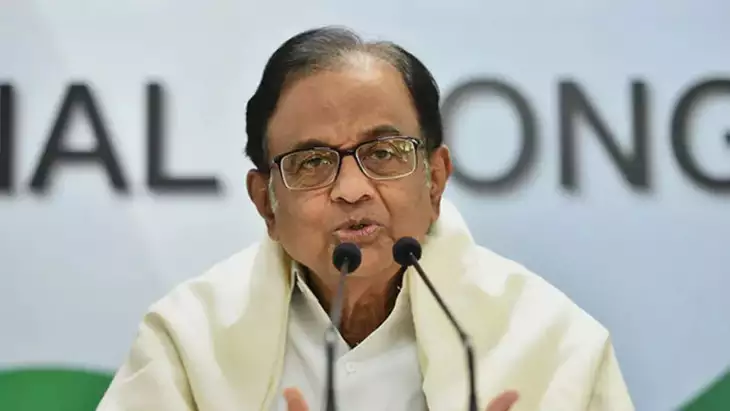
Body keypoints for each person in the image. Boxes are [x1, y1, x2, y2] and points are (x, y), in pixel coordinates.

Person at [96, 26, 635, 411]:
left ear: (435, 179)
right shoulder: (189, 341)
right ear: (265, 203)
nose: (352, 190)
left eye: (383, 153)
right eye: (312, 162)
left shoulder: (553, 341)